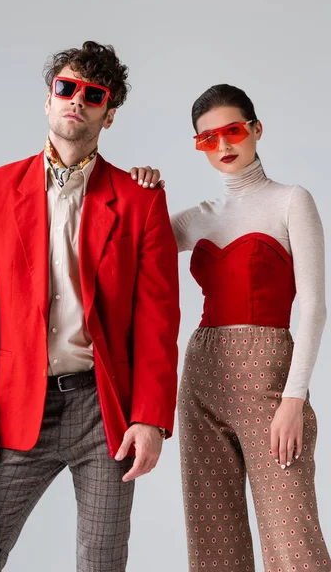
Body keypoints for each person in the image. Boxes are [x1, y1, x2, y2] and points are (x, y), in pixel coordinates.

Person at [0, 40, 180, 572]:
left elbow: (157, 321)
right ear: (49, 101)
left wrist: (149, 418)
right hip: (14, 407)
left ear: (109, 113)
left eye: (92, 94)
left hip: (105, 412)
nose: (77, 100)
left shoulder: (140, 200)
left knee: (101, 564)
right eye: (66, 88)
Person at [131, 84, 330, 571]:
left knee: (293, 544)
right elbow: (134, 246)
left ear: (256, 130)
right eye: (207, 139)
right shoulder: (199, 218)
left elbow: (316, 308)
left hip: (270, 384)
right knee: (212, 540)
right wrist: (144, 193)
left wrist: (293, 400)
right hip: (200, 378)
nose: (222, 145)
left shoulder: (291, 201)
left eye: (233, 131)